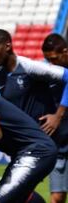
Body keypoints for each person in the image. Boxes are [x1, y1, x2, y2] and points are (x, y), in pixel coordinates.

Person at [0, 29, 68, 135]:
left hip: (51, 135)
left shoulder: (29, 67)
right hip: (28, 139)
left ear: (7, 46)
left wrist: (57, 116)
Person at [42, 33, 68, 203]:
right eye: (48, 60)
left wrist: (59, 114)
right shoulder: (49, 74)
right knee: (57, 197)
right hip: (59, 145)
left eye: (54, 59)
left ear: (65, 52)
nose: (51, 64)